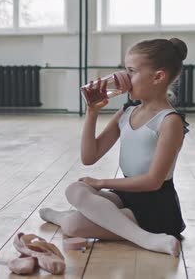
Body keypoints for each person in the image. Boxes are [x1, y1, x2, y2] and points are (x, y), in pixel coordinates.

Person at [40, 38, 189, 257]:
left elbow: (153, 181)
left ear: (158, 76)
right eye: (124, 70)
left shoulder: (169, 121)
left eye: (132, 71)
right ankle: (128, 229)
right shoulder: (128, 112)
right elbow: (89, 156)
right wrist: (92, 113)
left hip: (156, 207)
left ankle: (148, 239)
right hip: (126, 195)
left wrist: (101, 183)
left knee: (73, 225)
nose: (125, 79)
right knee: (74, 189)